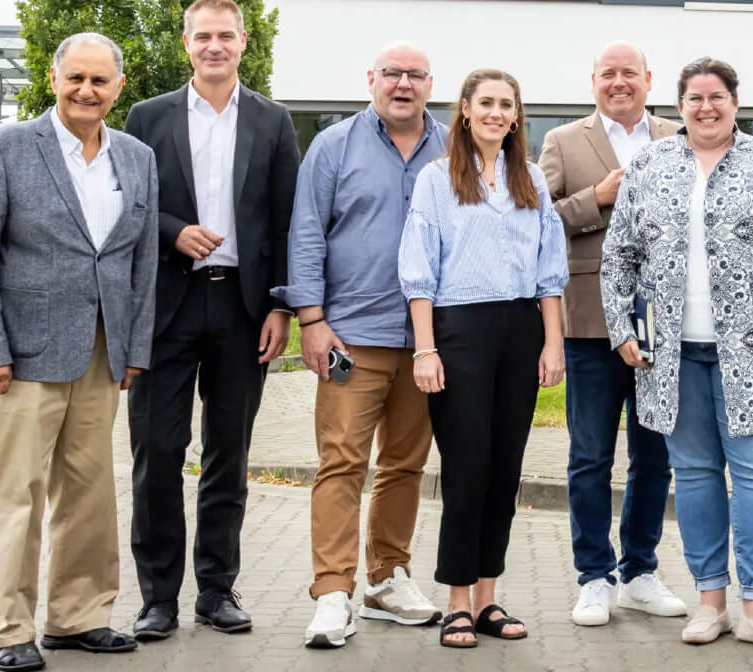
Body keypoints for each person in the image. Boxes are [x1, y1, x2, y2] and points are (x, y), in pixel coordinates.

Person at [599, 57, 753, 653]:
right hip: (670, 355)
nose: (706, 107)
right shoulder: (650, 164)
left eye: (717, 96)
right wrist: (623, 328)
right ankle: (710, 603)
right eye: (695, 98)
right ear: (679, 106)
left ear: (734, 103)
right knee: (695, 476)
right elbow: (619, 256)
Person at [0, 32, 158, 672]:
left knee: (90, 493)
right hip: (21, 356)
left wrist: (135, 347)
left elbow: (142, 263)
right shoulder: (5, 149)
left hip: (102, 351)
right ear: (54, 80)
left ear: (118, 88)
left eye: (99, 80)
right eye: (76, 78)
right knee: (19, 494)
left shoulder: (137, 157)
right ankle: (12, 630)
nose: (86, 91)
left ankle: (78, 617)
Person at [123, 0, 300, 642]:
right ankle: (158, 598)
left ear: (243, 41)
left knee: (229, 453)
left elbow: (287, 220)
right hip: (165, 307)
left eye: (225, 35)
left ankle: (217, 590)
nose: (214, 46)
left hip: (243, 308)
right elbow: (128, 203)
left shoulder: (272, 121)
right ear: (186, 43)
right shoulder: (148, 118)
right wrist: (173, 231)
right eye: (203, 36)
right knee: (158, 452)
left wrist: (281, 305)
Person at [280, 42, 448, 649]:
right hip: (352, 336)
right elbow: (306, 232)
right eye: (392, 74)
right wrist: (311, 320)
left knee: (406, 464)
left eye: (415, 75)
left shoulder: (452, 147)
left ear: (430, 84)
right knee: (342, 463)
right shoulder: (333, 146)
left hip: (426, 340)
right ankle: (332, 592)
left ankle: (386, 578)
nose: (403, 84)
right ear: (371, 79)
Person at [399, 69, 569, 648]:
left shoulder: (531, 180)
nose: (497, 112)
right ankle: (456, 601)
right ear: (466, 111)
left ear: (517, 116)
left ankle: (487, 599)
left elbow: (550, 272)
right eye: (486, 103)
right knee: (467, 467)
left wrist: (552, 343)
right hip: (459, 331)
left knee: (504, 469)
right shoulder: (436, 179)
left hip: (520, 330)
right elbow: (418, 271)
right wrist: (426, 348)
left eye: (507, 104)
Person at [538, 42, 688, 627]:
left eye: (629, 73)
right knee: (591, 456)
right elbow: (537, 219)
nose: (619, 82)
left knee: (654, 457)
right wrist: (595, 199)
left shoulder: (679, 137)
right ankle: (593, 576)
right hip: (590, 322)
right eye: (608, 74)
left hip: (663, 322)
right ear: (593, 81)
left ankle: (640, 571)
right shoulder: (562, 141)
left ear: (649, 79)